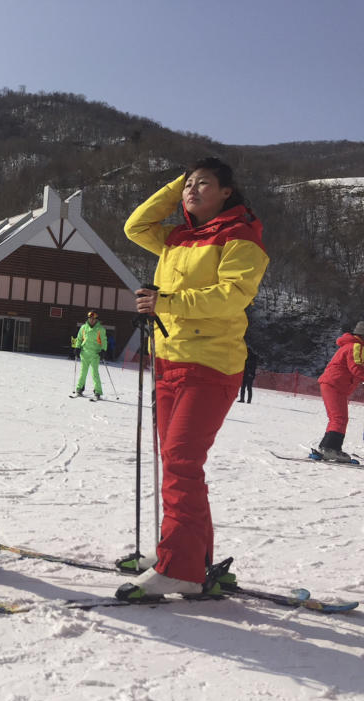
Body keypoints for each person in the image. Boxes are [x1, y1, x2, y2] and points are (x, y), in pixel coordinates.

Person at [118, 157, 269, 600]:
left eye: (203, 184)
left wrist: (166, 303)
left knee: (182, 464)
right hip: (169, 359)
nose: (192, 191)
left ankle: (180, 566)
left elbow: (233, 296)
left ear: (227, 192)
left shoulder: (239, 237)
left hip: (211, 363)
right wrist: (176, 186)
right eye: (189, 185)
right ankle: (189, 558)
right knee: (180, 466)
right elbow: (135, 226)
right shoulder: (177, 237)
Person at [314, 321, 364, 462]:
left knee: (336, 418)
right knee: (339, 418)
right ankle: (331, 449)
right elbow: (356, 368)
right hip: (335, 385)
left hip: (333, 385)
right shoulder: (356, 346)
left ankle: (326, 447)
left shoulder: (351, 345)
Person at [73, 311, 107, 398]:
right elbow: (79, 338)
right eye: (90, 318)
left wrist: (103, 350)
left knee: (94, 373)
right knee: (83, 373)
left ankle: (97, 392)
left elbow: (104, 341)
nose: (92, 320)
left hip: (95, 354)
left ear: (96, 319)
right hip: (84, 353)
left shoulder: (100, 329)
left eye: (93, 319)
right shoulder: (83, 328)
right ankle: (79, 389)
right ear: (88, 319)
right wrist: (77, 348)